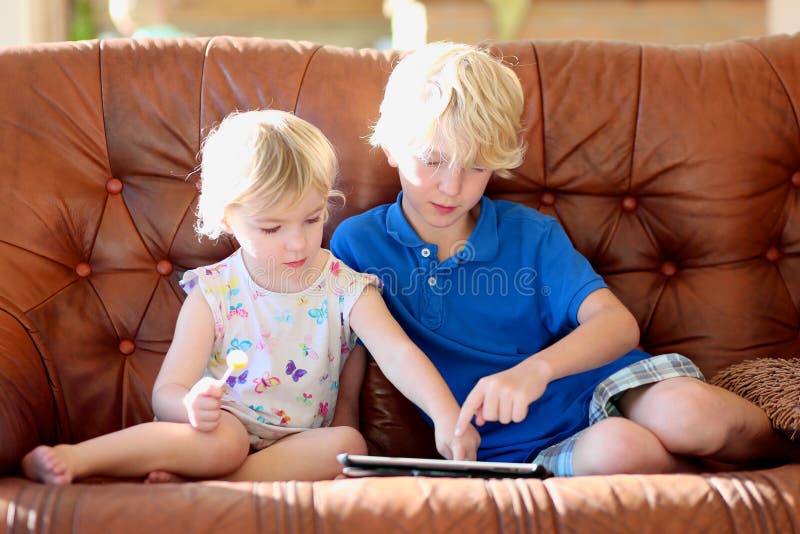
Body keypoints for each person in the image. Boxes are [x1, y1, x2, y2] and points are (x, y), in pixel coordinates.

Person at [330, 41, 799, 476]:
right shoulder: (360, 244)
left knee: (693, 416)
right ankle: (702, 480)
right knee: (620, 450)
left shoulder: (528, 233)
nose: (452, 187)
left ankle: (788, 448)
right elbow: (360, 351)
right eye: (432, 160)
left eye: (475, 166)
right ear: (390, 146)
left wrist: (536, 372)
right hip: (523, 445)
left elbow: (616, 325)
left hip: (605, 383)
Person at [21, 109, 480, 485]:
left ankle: (209, 483)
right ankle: (76, 459)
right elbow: (167, 392)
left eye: (312, 218)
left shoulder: (345, 287)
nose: (298, 243)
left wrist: (445, 416)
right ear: (227, 218)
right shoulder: (214, 292)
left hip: (300, 446)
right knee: (226, 441)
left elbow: (398, 353)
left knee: (347, 446)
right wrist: (190, 405)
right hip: (218, 429)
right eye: (272, 228)